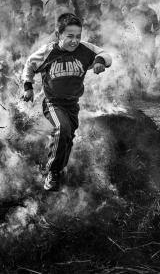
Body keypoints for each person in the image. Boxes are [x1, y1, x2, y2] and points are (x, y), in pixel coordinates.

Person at [21, 13, 112, 191]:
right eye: (69, 36)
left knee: (68, 137)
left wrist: (100, 61)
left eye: (78, 36)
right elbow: (30, 64)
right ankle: (52, 171)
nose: (74, 41)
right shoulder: (48, 51)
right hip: (53, 103)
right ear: (58, 34)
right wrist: (28, 87)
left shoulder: (85, 49)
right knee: (62, 129)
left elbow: (106, 54)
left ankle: (60, 170)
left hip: (73, 105)